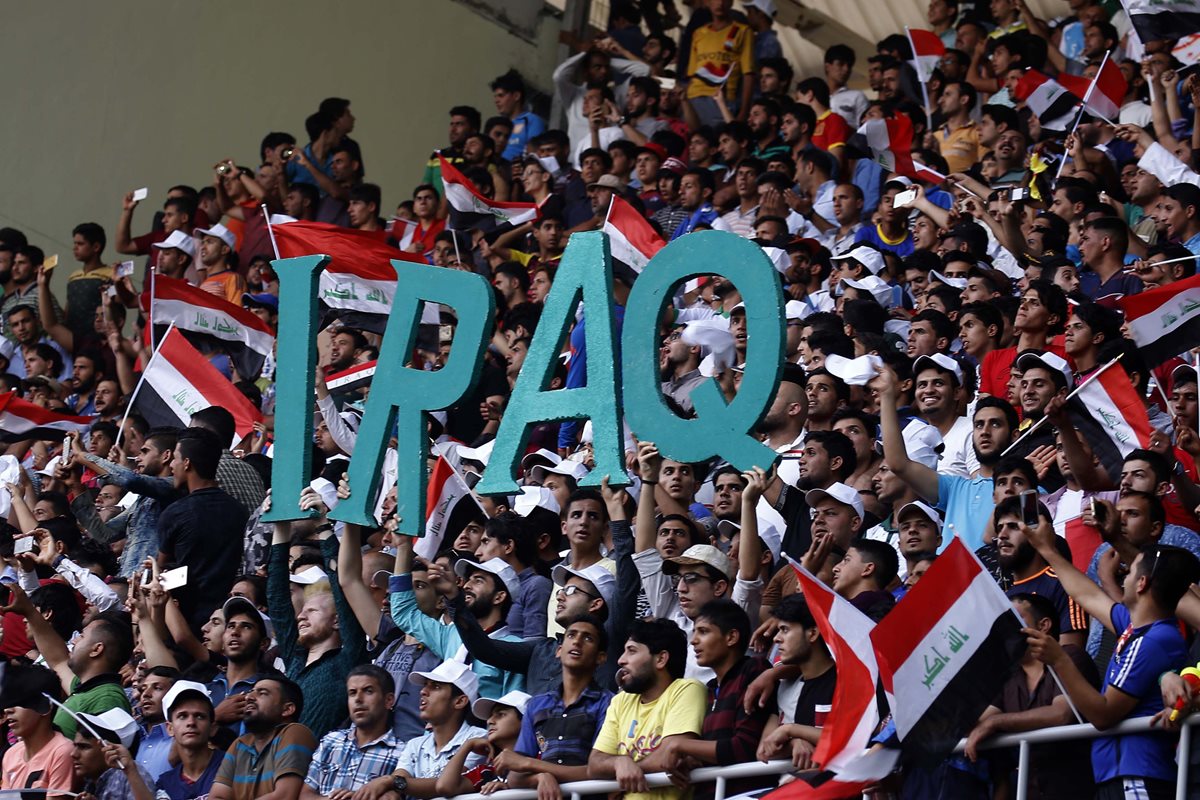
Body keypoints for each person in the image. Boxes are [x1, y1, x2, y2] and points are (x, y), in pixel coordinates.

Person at [1023, 515, 1199, 800]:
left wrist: (1059, 660)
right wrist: (1047, 550)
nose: (1124, 577)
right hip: (1120, 774)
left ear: (1141, 583)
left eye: (1128, 573)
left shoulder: (1155, 640)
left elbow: (1103, 713)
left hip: (1139, 776)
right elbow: (1087, 595)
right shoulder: (1136, 626)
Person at [268, 490, 367, 738]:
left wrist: (323, 526)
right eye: (303, 611)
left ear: (336, 621)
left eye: (311, 611)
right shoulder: (295, 659)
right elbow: (278, 601)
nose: (300, 616)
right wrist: (281, 527)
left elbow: (341, 588)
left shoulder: (349, 660)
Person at [588, 619, 707, 800]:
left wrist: (624, 773)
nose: (621, 660)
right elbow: (594, 764)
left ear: (660, 659)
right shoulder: (621, 700)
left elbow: (670, 756)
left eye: (632, 651)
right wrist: (620, 762)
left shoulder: (687, 689)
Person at [158, 427, 248, 629]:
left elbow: (162, 573)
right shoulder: (239, 510)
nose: (171, 465)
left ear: (187, 463)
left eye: (175, 458)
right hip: (223, 620)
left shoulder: (176, 513)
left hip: (184, 621)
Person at [361, 660, 487, 800]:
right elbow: (400, 779)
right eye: (425, 685)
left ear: (459, 701)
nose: (423, 691)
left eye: (436, 687)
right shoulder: (415, 744)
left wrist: (389, 781)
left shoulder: (479, 738)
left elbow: (447, 785)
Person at [300, 665, 403, 800]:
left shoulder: (401, 753)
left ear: (389, 700)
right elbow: (304, 795)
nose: (358, 699)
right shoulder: (331, 741)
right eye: (352, 693)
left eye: (368, 691)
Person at [210, 676, 317, 800]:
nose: (248, 697)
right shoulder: (239, 744)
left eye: (262, 693)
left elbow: (284, 796)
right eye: (251, 692)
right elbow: (217, 797)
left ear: (287, 709)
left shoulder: (295, 732)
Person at [0, 662, 75, 794]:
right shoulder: (11, 754)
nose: (8, 710)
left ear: (45, 706)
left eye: (19, 702)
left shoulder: (62, 752)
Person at [155, 680, 226, 800]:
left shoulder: (232, 765)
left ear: (213, 728)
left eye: (199, 716)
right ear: (170, 728)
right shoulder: (165, 784)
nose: (191, 723)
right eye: (182, 716)